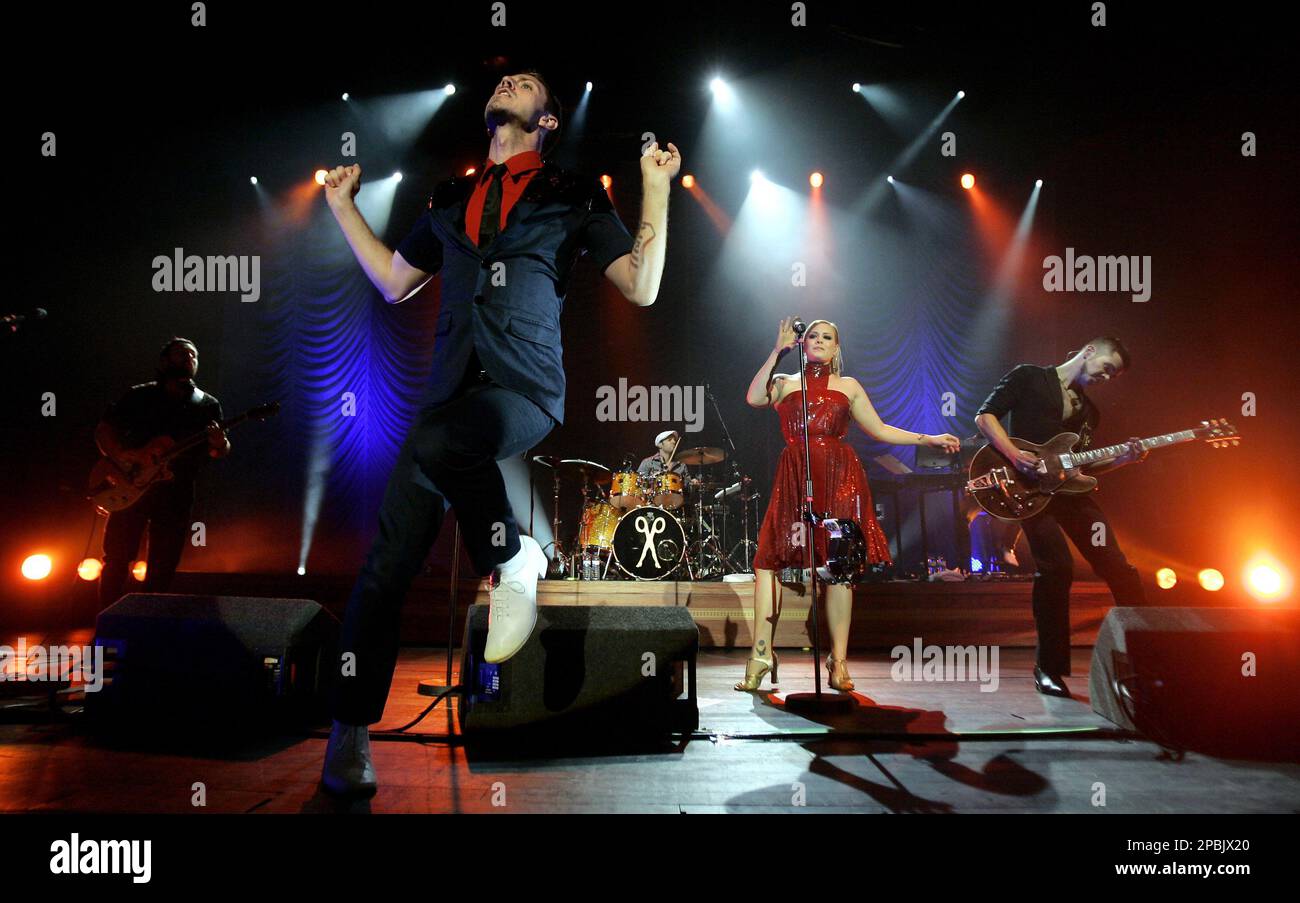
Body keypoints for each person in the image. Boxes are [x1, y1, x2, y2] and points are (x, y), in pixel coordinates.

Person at [319, 70, 681, 795]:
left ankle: (512, 556)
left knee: (447, 439)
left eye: (528, 84)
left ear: (546, 121)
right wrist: (339, 206)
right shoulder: (450, 200)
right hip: (447, 398)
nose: (510, 80)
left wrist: (657, 187)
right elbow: (394, 280)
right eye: (505, 78)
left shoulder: (572, 194)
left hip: (522, 390)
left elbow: (640, 284)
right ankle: (349, 736)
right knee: (383, 572)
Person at [738, 317, 960, 692]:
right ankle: (762, 652)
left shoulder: (849, 385)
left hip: (841, 477)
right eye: (813, 336)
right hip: (795, 473)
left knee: (839, 566)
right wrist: (778, 350)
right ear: (802, 342)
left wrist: (927, 438)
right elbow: (754, 397)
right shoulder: (784, 383)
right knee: (768, 560)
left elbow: (880, 429)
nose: (820, 341)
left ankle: (838, 660)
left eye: (828, 337)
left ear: (837, 348)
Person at [974, 337, 1148, 697]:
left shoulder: (1089, 412)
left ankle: (1145, 658)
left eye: (1114, 375)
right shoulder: (1030, 378)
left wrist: (1122, 459)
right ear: (1088, 352)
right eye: (1107, 368)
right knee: (1057, 569)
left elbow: (1081, 463)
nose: (1108, 377)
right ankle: (1049, 669)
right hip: (1029, 492)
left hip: (1070, 494)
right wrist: (1015, 455)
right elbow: (985, 416)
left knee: (1119, 567)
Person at [95, 337, 230, 607]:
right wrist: (122, 456)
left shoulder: (207, 404)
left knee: (163, 564)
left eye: (194, 355)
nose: (189, 359)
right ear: (164, 361)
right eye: (182, 354)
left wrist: (219, 444)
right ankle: (107, 621)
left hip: (175, 493)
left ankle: (147, 626)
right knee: (117, 558)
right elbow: (104, 431)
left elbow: (218, 451)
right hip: (130, 482)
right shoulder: (139, 395)